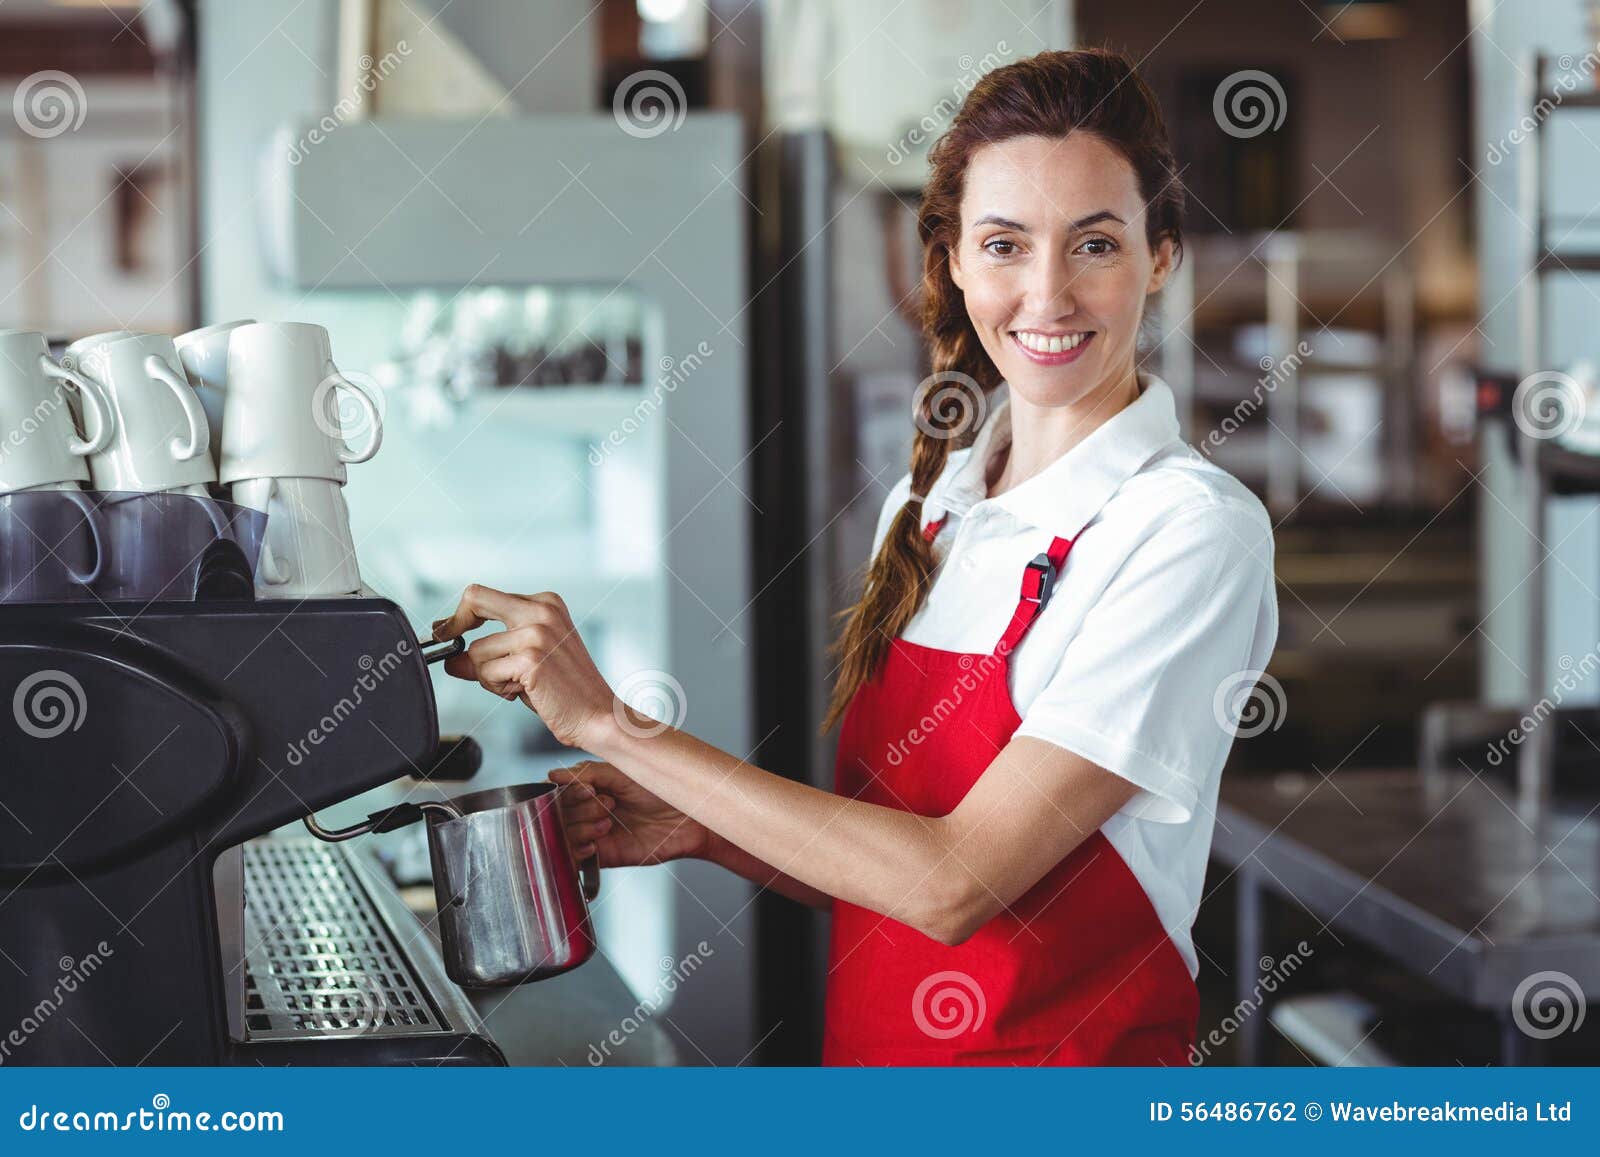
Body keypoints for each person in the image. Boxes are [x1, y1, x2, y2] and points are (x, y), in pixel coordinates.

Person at [434, 47, 1278, 1066]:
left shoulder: (1184, 530)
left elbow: (952, 880)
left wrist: (616, 725)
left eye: (1093, 244)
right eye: (1005, 244)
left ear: (1160, 258)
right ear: (956, 260)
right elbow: (891, 854)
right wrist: (705, 826)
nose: (1047, 294)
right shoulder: (930, 505)